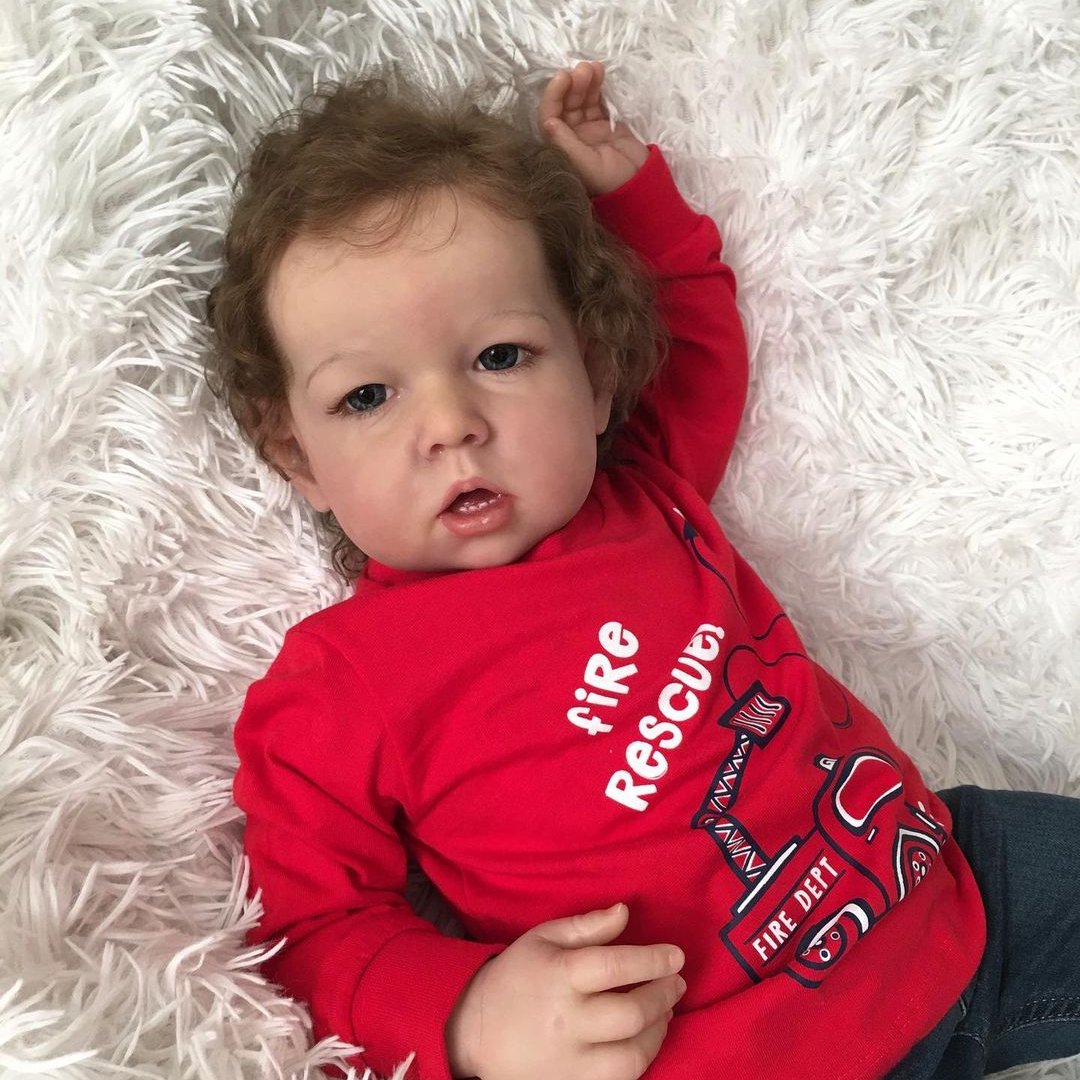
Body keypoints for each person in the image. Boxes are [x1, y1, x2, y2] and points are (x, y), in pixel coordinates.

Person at [204, 61, 1080, 1080]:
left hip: (951, 883)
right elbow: (306, 932)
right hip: (747, 1058)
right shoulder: (344, 681)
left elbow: (698, 351)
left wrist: (635, 201)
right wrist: (470, 1015)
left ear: (595, 376)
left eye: (501, 356)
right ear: (298, 457)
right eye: (367, 397)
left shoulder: (643, 491)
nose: (451, 424)